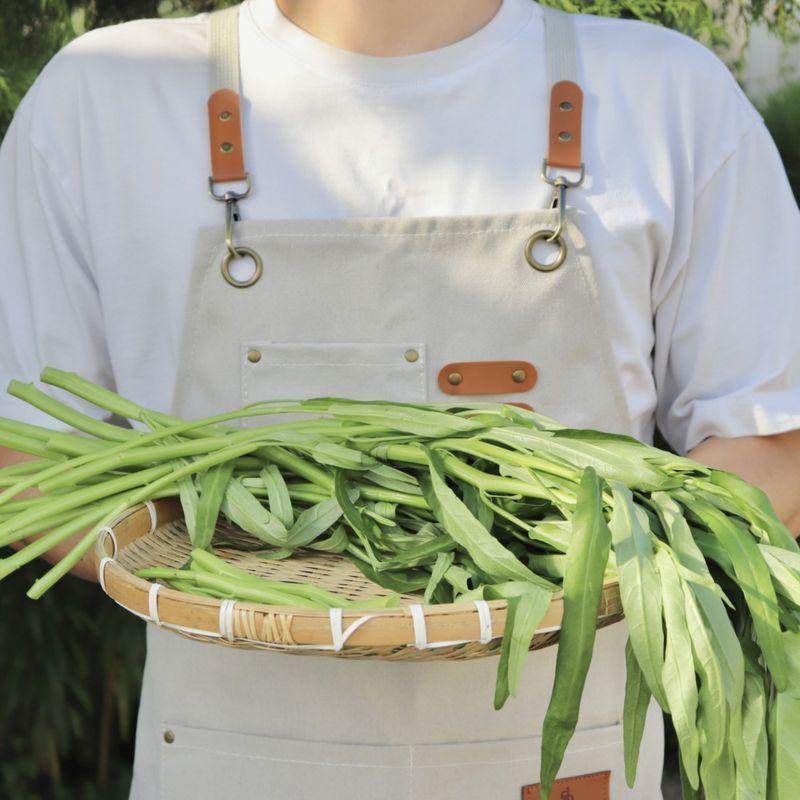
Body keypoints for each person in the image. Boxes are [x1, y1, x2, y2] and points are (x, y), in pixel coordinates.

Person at [1, 1, 799, 797]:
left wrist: (566, 550)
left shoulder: (665, 94)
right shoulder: (108, 96)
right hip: (227, 766)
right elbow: (23, 460)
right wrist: (239, 572)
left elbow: (773, 442)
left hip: (558, 768)